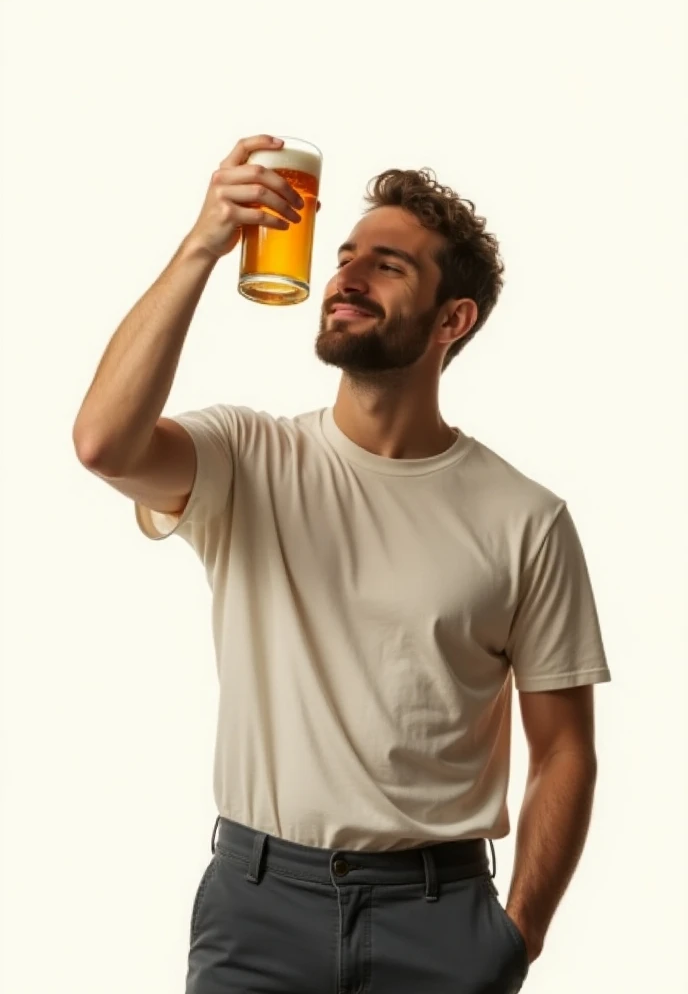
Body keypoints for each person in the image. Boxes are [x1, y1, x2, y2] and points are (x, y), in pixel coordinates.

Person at [73, 134, 611, 993]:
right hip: (256, 908)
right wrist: (204, 244)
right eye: (345, 256)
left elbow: (565, 751)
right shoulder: (247, 458)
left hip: (441, 918)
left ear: (453, 320)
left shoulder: (527, 519)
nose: (347, 277)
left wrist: (518, 937)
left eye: (389, 266)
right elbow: (104, 444)